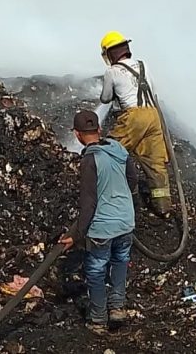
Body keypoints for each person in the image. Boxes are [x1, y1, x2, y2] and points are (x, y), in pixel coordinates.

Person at [59, 110, 138, 335]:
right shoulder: (119, 149)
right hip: (125, 221)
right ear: (99, 130)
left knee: (95, 269)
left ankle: (98, 319)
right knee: (120, 261)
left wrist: (75, 235)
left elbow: (89, 204)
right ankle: (118, 308)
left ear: (77, 135)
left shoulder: (89, 160)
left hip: (103, 226)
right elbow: (132, 179)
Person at [98, 30, 172, 216]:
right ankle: (163, 208)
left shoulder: (112, 71)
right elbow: (153, 89)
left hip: (133, 116)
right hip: (153, 114)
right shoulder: (143, 64)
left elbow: (106, 98)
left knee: (109, 151)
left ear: (109, 53)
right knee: (155, 163)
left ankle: (105, 194)